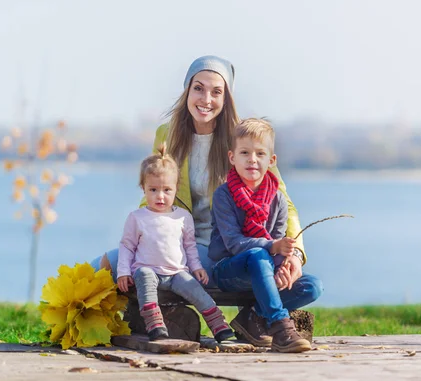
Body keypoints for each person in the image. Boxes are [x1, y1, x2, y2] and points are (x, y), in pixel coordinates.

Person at [90, 54, 322, 336]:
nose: (206, 99)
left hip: (223, 247)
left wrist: (295, 254)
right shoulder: (167, 134)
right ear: (187, 90)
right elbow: (154, 191)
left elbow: (283, 201)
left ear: (226, 99)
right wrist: (140, 234)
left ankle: (254, 317)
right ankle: (80, 320)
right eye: (198, 88)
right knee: (106, 264)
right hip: (175, 240)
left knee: (306, 284)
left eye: (216, 91)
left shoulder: (242, 140)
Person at [208, 118, 317, 353]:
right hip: (229, 270)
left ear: (272, 160)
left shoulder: (277, 199)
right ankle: (280, 328)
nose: (252, 160)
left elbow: (277, 238)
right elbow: (234, 243)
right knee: (258, 254)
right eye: (245, 153)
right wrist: (273, 248)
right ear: (232, 157)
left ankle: (253, 316)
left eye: (260, 153)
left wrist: (281, 268)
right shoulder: (223, 195)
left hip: (264, 270)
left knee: (312, 286)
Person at [116, 144, 234, 342]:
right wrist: (123, 272)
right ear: (143, 188)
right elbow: (127, 246)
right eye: (153, 190)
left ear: (176, 189)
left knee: (195, 289)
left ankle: (218, 324)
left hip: (177, 273)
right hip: (148, 269)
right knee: (144, 277)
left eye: (166, 190)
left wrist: (196, 267)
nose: (160, 196)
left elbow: (189, 246)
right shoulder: (137, 217)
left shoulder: (182, 217)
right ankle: (154, 323)